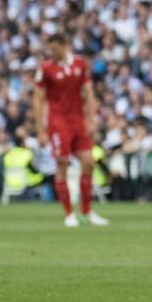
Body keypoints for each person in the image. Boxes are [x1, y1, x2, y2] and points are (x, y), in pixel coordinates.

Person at [32, 32, 109, 227]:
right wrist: (40, 130)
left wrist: (91, 120)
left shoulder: (80, 64)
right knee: (62, 163)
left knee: (89, 162)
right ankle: (69, 213)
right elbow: (38, 99)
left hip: (79, 121)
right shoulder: (46, 69)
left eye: (55, 48)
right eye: (50, 49)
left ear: (65, 45)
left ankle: (87, 210)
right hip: (58, 123)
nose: (52, 52)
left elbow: (88, 92)